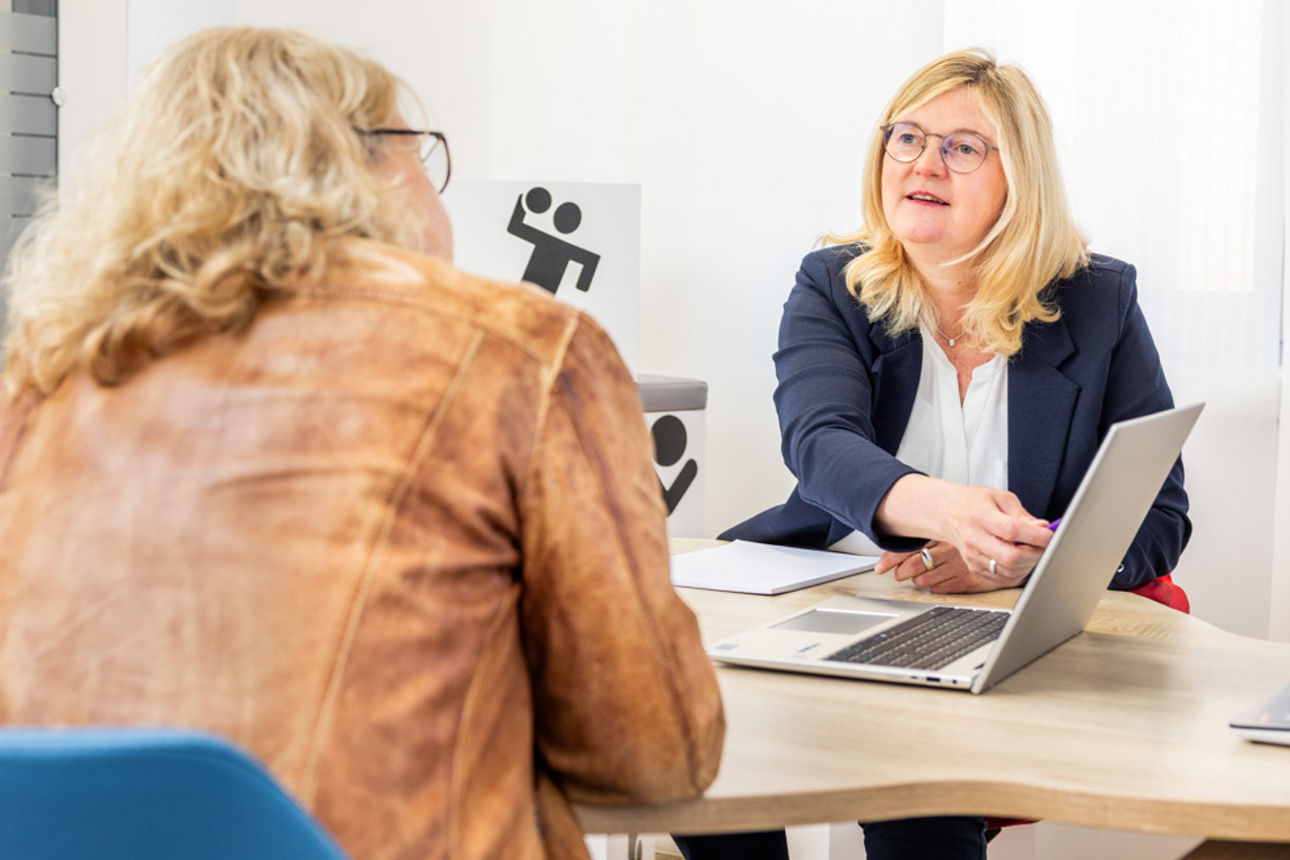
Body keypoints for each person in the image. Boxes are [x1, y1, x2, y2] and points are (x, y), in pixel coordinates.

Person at [0, 27, 724, 860]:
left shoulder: (46, 375)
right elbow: (654, 753)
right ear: (362, 164)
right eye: (424, 155)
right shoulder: (521, 351)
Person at [674, 48, 1189, 860]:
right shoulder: (833, 283)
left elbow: (1159, 513)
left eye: (961, 147)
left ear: (1018, 177)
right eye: (906, 138)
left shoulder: (1097, 300)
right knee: (686, 733)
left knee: (923, 804)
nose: (923, 162)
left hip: (986, 625)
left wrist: (1033, 559)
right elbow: (820, 445)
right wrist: (946, 508)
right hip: (827, 589)